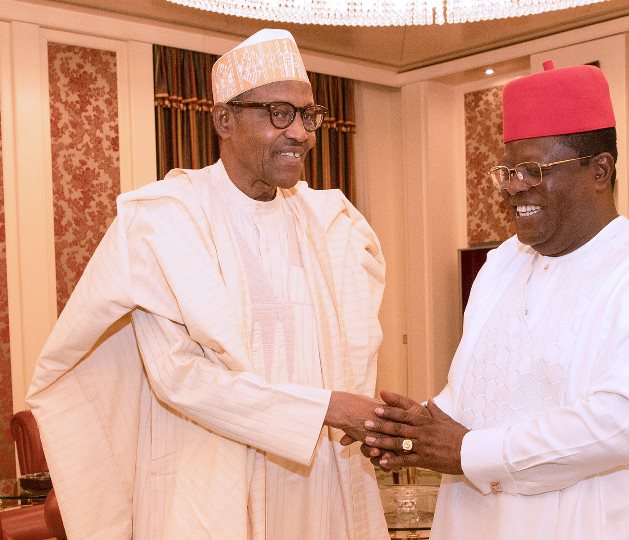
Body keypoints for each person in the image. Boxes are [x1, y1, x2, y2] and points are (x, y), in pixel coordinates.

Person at [26, 29, 389, 539]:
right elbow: (180, 378)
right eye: (279, 113)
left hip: (318, 485)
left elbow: (353, 357)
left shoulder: (334, 223)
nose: (302, 133)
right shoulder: (164, 221)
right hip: (206, 484)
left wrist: (370, 418)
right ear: (224, 119)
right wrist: (327, 408)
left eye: (308, 115)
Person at [356, 61, 629, 538]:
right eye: (509, 170)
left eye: (535, 169)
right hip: (477, 519)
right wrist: (415, 430)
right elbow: (474, 391)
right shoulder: (500, 266)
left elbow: (625, 421)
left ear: (600, 171)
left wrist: (469, 452)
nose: (515, 186)